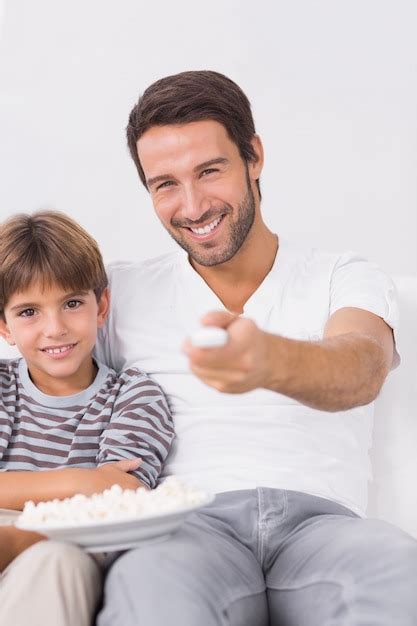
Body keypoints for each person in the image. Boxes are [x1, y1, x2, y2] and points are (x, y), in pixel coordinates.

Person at [96, 70, 417, 625]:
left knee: (399, 575)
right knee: (147, 589)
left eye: (209, 171)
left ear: (254, 156)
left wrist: (269, 360)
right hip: (185, 528)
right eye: (165, 184)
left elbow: (362, 364)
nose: (192, 205)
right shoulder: (115, 294)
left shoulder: (344, 274)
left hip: (325, 530)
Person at [0, 211, 174, 626]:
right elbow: (103, 487)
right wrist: (87, 482)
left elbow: (121, 500)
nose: (54, 328)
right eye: (29, 312)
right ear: (4, 326)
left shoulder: (134, 395)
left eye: (72, 303)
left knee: (59, 560)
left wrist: (19, 531)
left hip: (73, 550)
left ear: (102, 307)